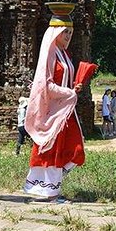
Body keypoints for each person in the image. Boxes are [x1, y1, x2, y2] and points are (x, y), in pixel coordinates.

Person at [23, 10, 84, 203]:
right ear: (55, 33)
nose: (68, 36)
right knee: (52, 148)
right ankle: (47, 192)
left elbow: (64, 80)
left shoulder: (64, 54)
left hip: (65, 110)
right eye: (64, 32)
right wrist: (69, 92)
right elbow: (46, 85)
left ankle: (50, 189)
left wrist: (75, 87)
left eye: (70, 33)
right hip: (53, 111)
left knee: (73, 146)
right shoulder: (51, 53)